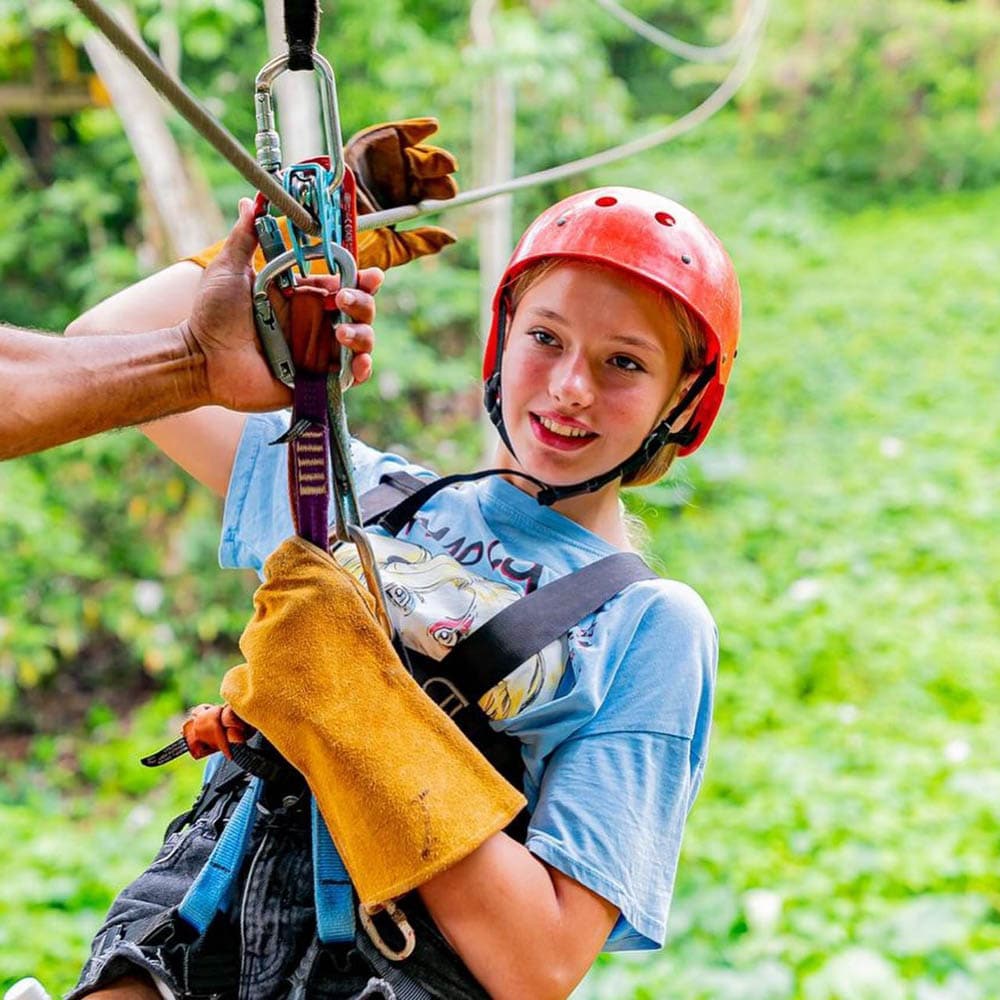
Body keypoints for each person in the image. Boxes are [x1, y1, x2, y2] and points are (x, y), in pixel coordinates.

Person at [64, 185, 741, 1000]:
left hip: (394, 963)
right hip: (203, 905)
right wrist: (281, 240)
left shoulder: (645, 625)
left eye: (623, 362)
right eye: (546, 337)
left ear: (683, 401)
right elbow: (101, 346)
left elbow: (541, 964)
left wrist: (360, 707)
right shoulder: (356, 489)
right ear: (501, 340)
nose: (570, 387)